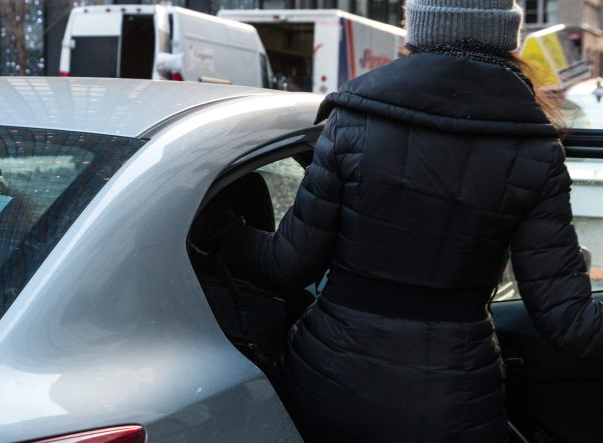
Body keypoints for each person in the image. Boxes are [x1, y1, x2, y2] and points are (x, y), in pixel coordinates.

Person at [197, 0, 603, 441]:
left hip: (327, 384)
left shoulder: (353, 119)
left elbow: (287, 264)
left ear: (419, 29)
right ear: (506, 35)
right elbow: (570, 323)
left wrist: (222, 232)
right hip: (455, 400)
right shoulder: (535, 150)